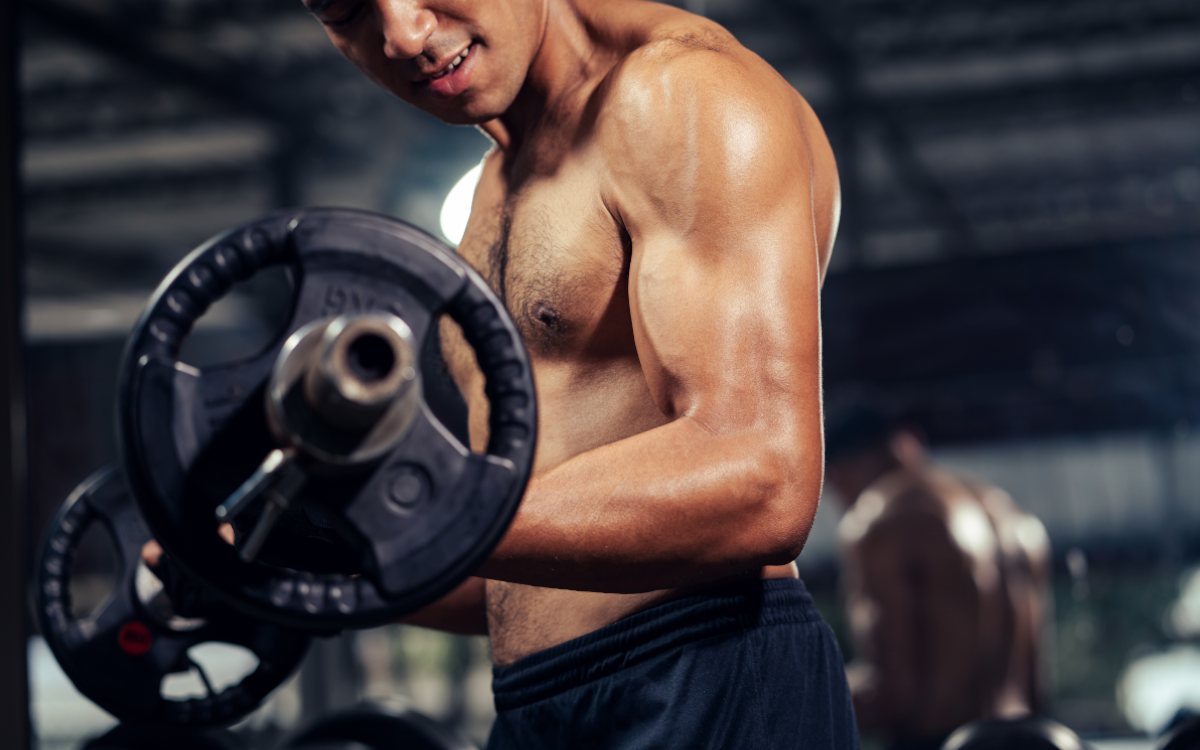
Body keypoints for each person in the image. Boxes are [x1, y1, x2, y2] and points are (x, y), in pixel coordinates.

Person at [291, 0, 853, 746]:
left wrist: (408, 514)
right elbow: (520, 570)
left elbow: (760, 480)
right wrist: (303, 561)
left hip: (703, 673)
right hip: (534, 703)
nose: (402, 34)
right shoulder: (492, 187)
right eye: (344, 7)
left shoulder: (682, 95)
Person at [823, 406, 1051, 750]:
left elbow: (894, 690)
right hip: (1026, 740)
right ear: (908, 445)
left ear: (836, 475)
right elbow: (1035, 683)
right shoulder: (1010, 515)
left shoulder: (877, 519)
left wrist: (780, 703)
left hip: (938, 742)